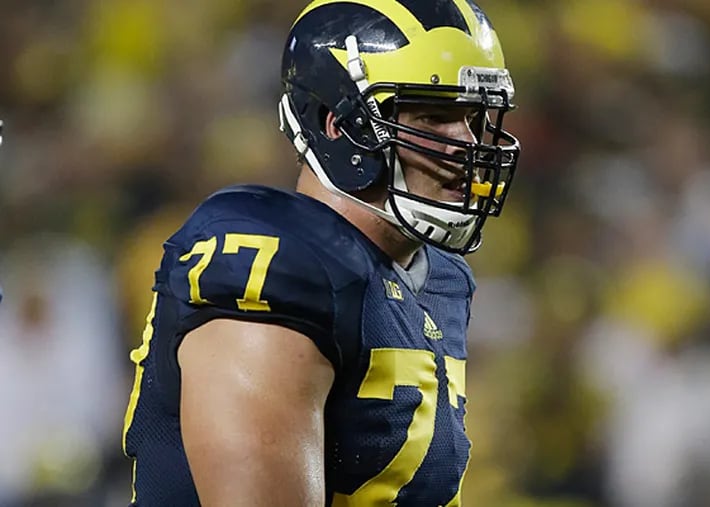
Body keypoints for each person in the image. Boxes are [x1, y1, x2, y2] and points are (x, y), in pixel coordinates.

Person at [121, 0, 520, 505]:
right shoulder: (275, 259)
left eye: (474, 117)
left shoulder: (440, 277)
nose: (466, 143)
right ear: (338, 124)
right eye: (434, 116)